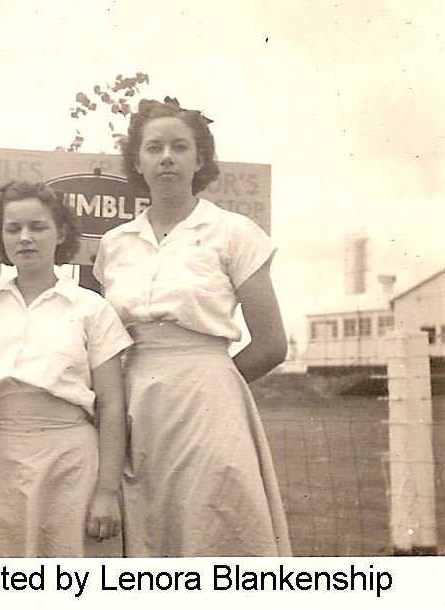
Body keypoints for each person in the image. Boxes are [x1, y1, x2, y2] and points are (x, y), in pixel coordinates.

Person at [94, 97, 292, 557]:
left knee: (210, 527)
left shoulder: (233, 231)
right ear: (137, 162)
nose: (167, 157)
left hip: (209, 404)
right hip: (133, 404)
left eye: (180, 147)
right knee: (146, 529)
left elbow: (272, 345)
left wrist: (210, 384)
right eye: (154, 147)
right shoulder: (114, 244)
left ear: (199, 160)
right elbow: (103, 338)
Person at [0, 181, 132, 557]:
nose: (25, 238)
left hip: (70, 458)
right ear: (1, 237)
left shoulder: (91, 308)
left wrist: (107, 491)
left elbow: (112, 405)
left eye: (38, 227)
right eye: (13, 228)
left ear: (60, 233)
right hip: (3, 456)